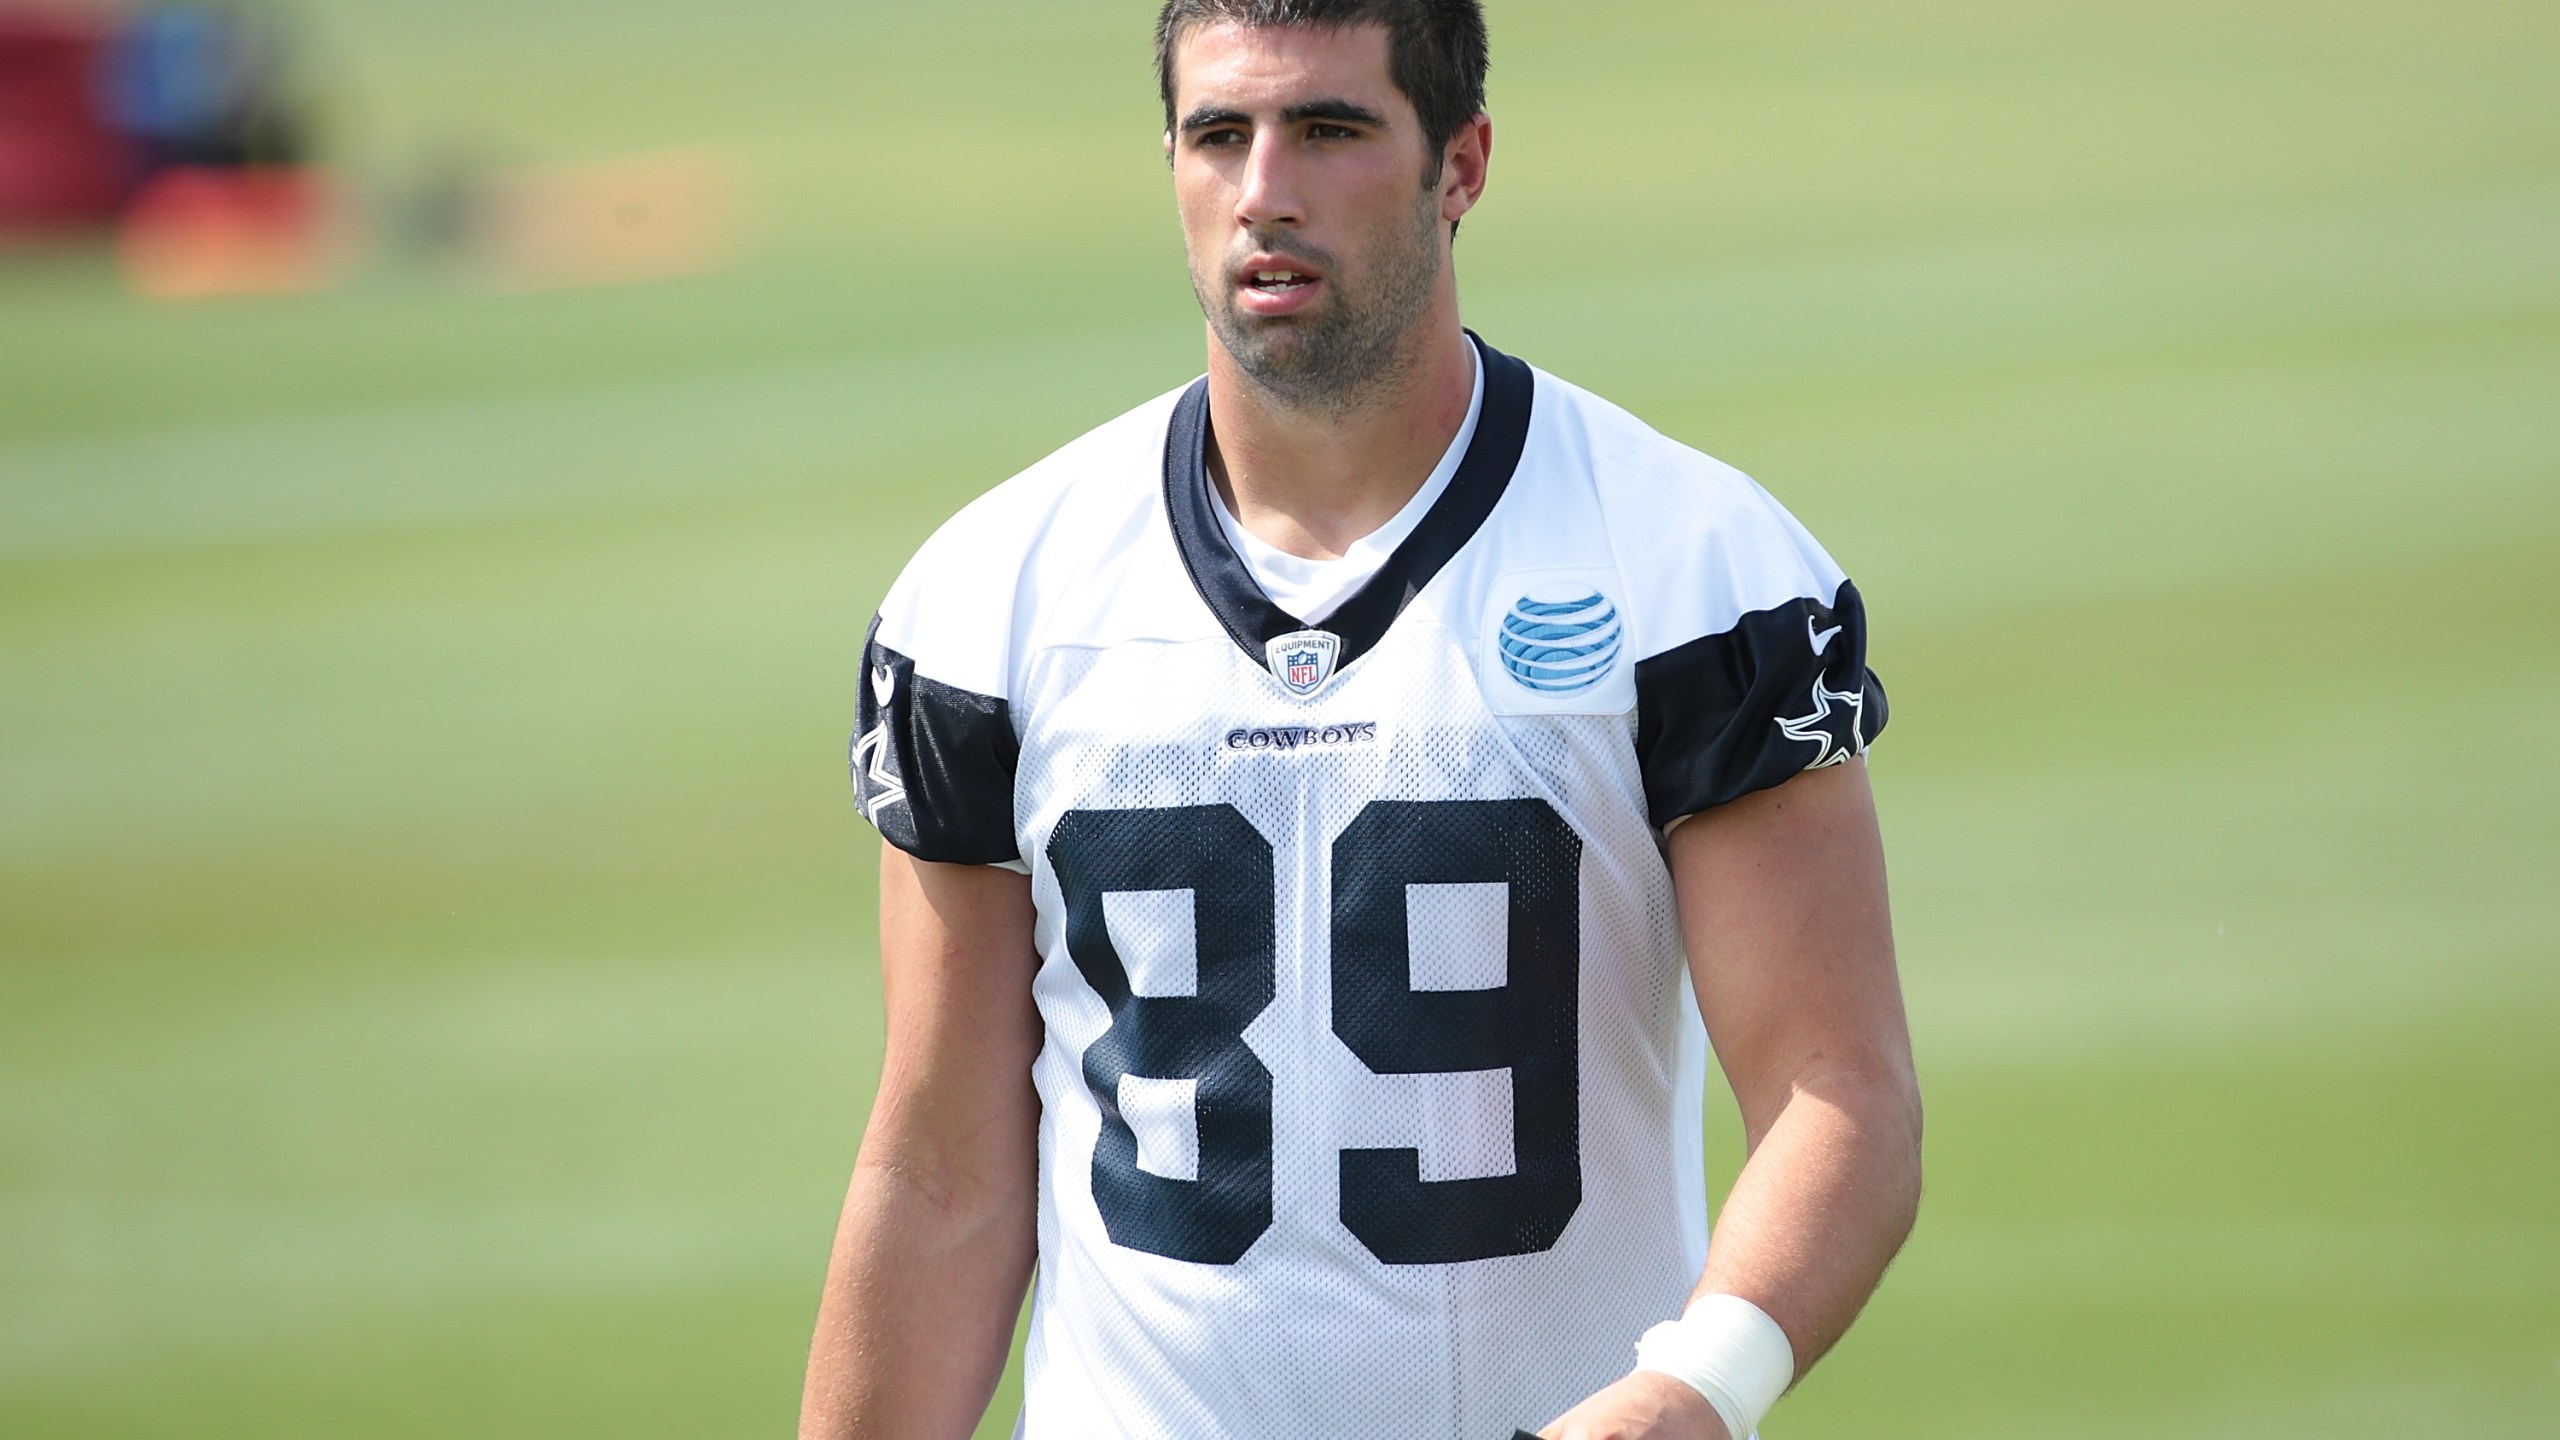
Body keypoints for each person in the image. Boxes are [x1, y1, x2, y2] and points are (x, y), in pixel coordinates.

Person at [799, 2, 1921, 1436]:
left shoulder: (1689, 563)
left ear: (1461, 165)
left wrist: (1695, 1392)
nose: (1265, 186)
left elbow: (1842, 1093)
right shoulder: (995, 595)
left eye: (1329, 129)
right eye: (1220, 134)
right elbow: (944, 1176)